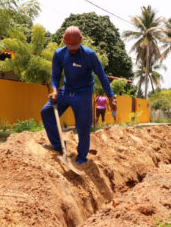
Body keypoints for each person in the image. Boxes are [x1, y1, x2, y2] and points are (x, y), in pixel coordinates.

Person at [41, 26, 116, 164]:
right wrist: (55, 91)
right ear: (65, 42)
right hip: (67, 90)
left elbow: (102, 76)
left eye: (76, 46)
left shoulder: (89, 55)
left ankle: (81, 156)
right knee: (46, 112)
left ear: (81, 41)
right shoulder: (59, 54)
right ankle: (58, 145)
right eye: (70, 46)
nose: (73, 49)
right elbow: (55, 76)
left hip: (83, 93)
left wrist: (111, 97)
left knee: (83, 126)